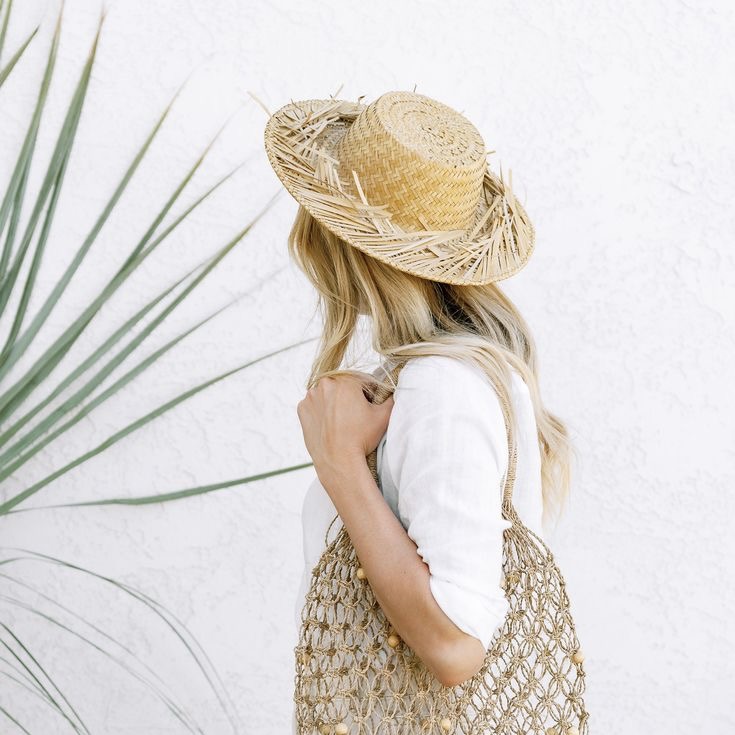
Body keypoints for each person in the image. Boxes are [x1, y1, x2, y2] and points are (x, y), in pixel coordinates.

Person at [263, 90, 575, 734]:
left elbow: (455, 647)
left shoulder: (442, 387)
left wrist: (341, 464)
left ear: (338, 239)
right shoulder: (452, 375)